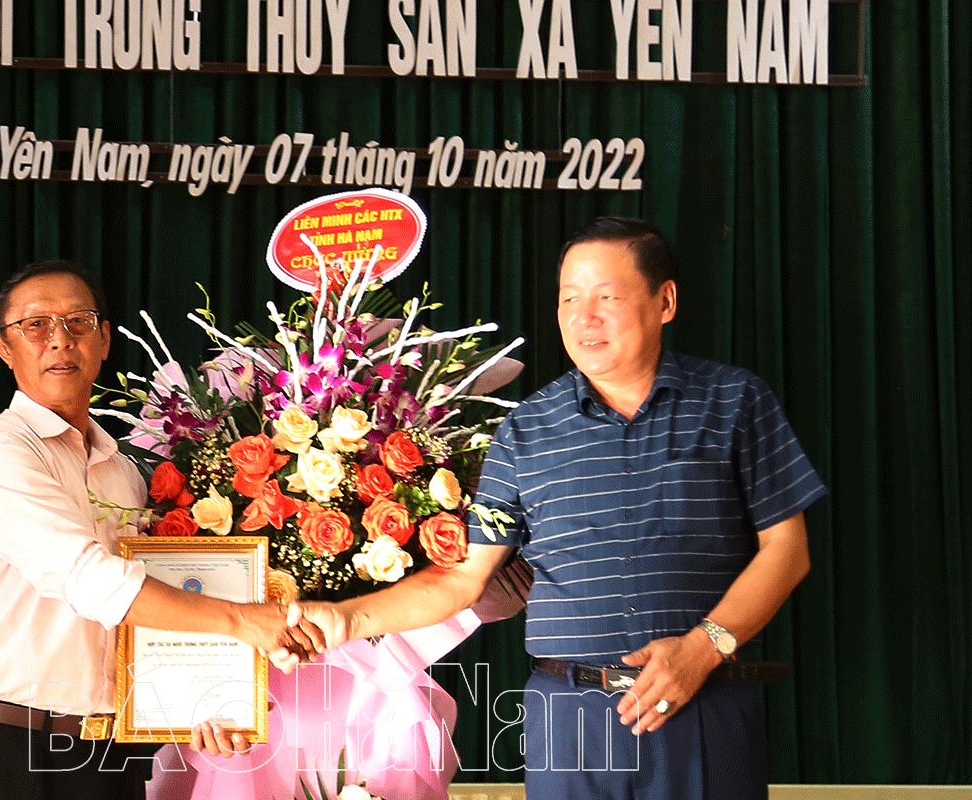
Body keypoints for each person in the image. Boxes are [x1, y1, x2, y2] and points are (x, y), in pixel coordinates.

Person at [288, 218, 827, 800]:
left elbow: (788, 550)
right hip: (569, 716)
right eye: (569, 299)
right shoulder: (525, 431)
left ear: (665, 301)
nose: (583, 317)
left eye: (607, 297)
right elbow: (463, 579)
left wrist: (703, 647)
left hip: (703, 701)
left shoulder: (735, 401)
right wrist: (348, 620)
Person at [0, 260, 308, 800]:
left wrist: (205, 700)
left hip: (113, 759)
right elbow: (91, 581)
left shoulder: (122, 470)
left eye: (79, 322)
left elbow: (144, 619)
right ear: (3, 348)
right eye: (35, 325)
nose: (60, 340)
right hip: (14, 754)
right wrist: (241, 622)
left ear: (105, 340)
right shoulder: (2, 453)